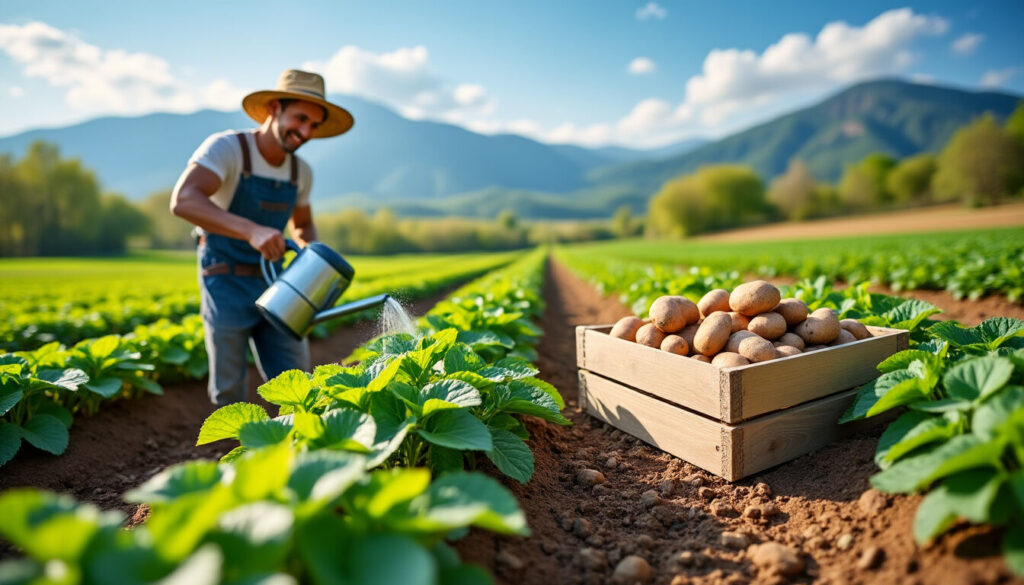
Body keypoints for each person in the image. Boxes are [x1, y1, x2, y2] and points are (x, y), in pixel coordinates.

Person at [170, 69, 354, 406]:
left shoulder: (301, 172)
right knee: (228, 389)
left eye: (313, 125)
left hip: (278, 283)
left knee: (297, 384)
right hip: (223, 278)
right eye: (300, 118)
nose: (305, 132)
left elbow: (302, 227)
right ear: (274, 108)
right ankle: (233, 454)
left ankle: (297, 452)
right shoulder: (229, 149)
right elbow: (184, 200)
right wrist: (251, 230)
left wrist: (314, 267)